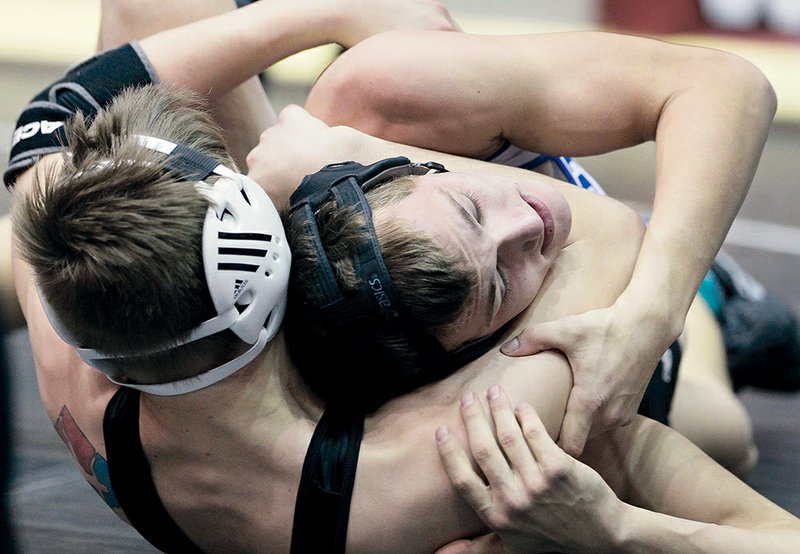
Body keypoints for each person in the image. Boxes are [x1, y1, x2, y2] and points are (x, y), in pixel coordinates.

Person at [9, 1, 796, 553]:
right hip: (564, 397)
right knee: (701, 431)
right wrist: (340, 150)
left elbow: (53, 123)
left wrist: (328, 12)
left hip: (273, 372)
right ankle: (707, 306)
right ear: (266, 249)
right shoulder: (408, 468)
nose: (516, 223)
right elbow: (607, 233)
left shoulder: (66, 303)